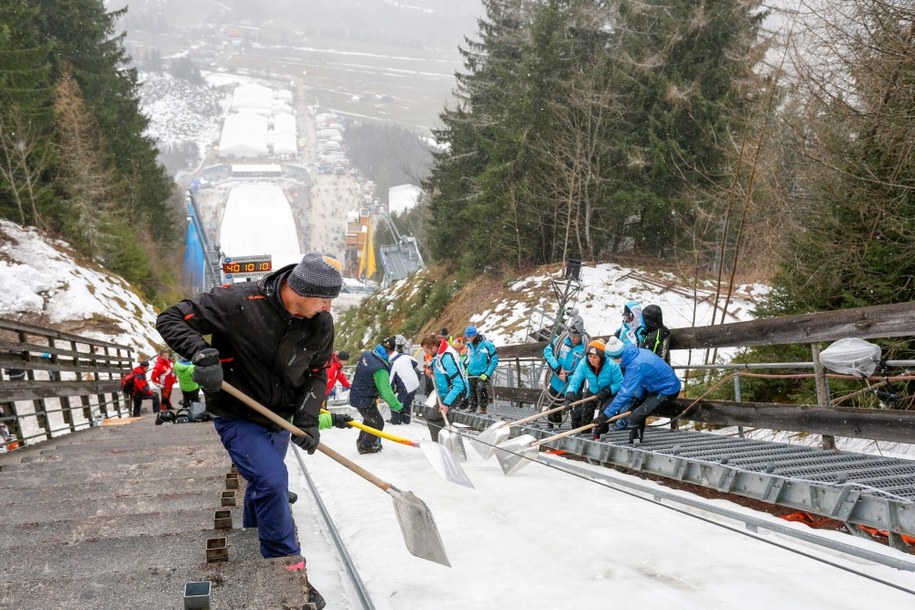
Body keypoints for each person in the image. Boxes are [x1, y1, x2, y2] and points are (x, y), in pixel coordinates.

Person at [156, 252, 352, 610]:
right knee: (273, 481)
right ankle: (285, 566)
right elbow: (170, 318)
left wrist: (307, 419)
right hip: (238, 414)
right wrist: (202, 354)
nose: (328, 308)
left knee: (263, 483)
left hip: (280, 418)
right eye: (324, 299)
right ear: (300, 290)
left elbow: (317, 372)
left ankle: (250, 531)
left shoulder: (320, 323)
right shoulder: (237, 302)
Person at [596, 342, 682, 445]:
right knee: (637, 411)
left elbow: (625, 393)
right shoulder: (633, 354)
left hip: (667, 389)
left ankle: (635, 444)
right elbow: (642, 379)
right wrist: (638, 399)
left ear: (618, 356)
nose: (615, 362)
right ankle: (635, 441)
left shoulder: (635, 364)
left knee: (636, 416)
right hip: (654, 386)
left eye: (614, 359)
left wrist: (606, 415)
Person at [348, 337, 403, 453]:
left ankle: (361, 441)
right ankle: (365, 447)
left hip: (357, 394)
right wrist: (398, 407)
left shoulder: (367, 355)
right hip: (365, 399)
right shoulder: (380, 369)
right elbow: (386, 392)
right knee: (378, 423)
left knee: (369, 420)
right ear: (391, 352)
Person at [564, 339, 624, 436]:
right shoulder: (583, 364)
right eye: (590, 356)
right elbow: (575, 382)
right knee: (584, 413)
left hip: (609, 392)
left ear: (601, 357)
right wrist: (569, 394)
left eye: (595, 357)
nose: (592, 359)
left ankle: (599, 436)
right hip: (593, 390)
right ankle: (585, 435)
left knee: (603, 414)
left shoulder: (612, 365)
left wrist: (607, 390)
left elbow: (620, 383)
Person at [420, 333, 467, 443]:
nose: (426, 354)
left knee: (432, 417)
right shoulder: (439, 352)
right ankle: (448, 442)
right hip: (443, 391)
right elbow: (436, 361)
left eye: (427, 351)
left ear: (434, 347)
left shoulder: (447, 359)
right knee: (442, 417)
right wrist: (430, 368)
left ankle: (439, 446)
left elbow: (459, 385)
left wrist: (446, 404)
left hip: (454, 393)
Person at [542, 323, 586, 428]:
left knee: (577, 415)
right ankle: (553, 431)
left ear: (581, 335)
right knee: (553, 414)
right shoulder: (560, 341)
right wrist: (556, 368)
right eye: (571, 335)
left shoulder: (585, 349)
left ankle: (577, 433)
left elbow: (585, 371)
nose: (572, 338)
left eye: (576, 336)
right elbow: (547, 351)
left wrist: (568, 377)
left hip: (573, 386)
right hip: (556, 383)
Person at [463, 325, 498, 414]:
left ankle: (483, 407)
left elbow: (494, 360)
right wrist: (466, 367)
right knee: (471, 388)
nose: (468, 338)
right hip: (472, 372)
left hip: (483, 372)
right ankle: (472, 405)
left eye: (469, 336)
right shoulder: (469, 346)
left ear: (473, 335)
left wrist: (487, 373)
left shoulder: (487, 345)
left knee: (481, 387)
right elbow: (468, 358)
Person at [388, 335, 420, 425]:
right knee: (407, 402)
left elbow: (390, 381)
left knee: (395, 401)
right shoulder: (405, 356)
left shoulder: (392, 363)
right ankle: (406, 419)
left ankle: (395, 420)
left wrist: (388, 392)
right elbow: (415, 362)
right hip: (415, 382)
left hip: (405, 385)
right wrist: (408, 368)